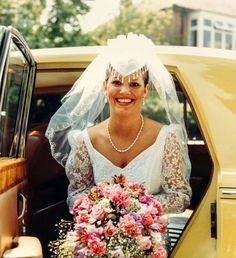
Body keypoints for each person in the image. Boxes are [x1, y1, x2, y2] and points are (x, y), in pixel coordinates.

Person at [46, 33, 192, 215]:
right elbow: (76, 195)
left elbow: (179, 196)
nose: (124, 91)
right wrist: (107, 211)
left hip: (152, 239)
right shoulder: (84, 140)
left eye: (134, 84)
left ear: (145, 90)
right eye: (116, 82)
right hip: (98, 237)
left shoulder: (167, 137)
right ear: (104, 87)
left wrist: (132, 209)